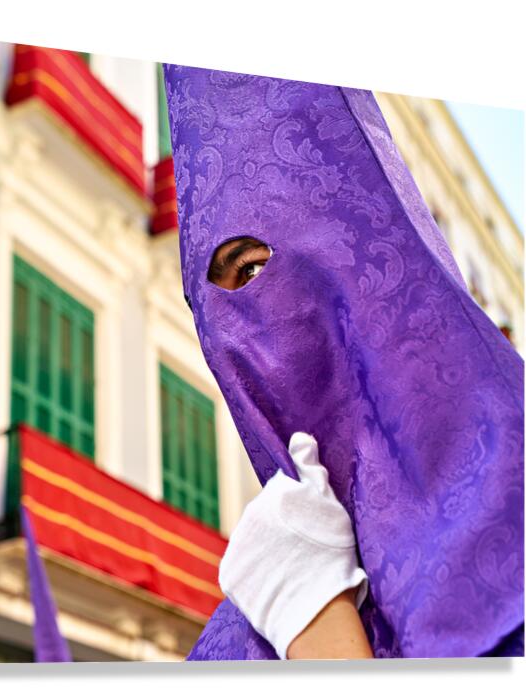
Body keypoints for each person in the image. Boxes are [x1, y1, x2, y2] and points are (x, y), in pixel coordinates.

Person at [163, 65, 524, 660]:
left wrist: (322, 639)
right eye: (218, 301)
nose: (247, 336)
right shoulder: (246, 627)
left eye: (254, 268)